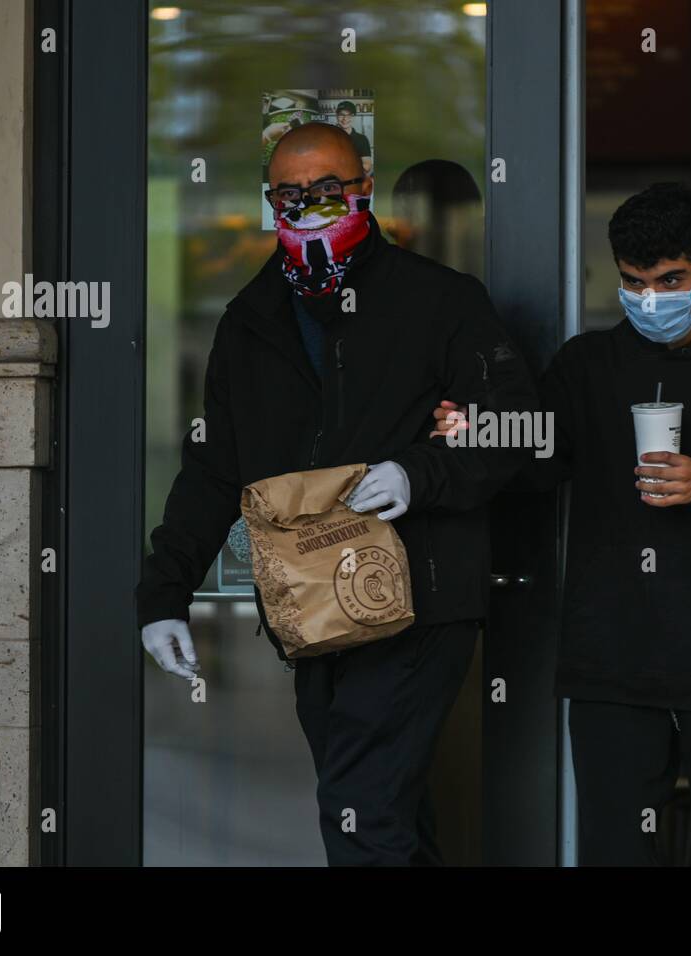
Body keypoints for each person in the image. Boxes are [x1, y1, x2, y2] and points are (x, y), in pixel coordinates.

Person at [136, 122, 537, 865]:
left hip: (418, 597)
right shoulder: (249, 322)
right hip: (311, 608)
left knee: (359, 809)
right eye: (291, 193)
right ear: (269, 202)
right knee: (384, 810)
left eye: (328, 190)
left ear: (363, 189)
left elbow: (513, 423)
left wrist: (421, 472)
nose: (311, 206)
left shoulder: (439, 300)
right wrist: (164, 594)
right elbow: (213, 471)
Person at [432, 182, 691, 865]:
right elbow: (536, 462)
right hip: (612, 658)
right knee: (616, 851)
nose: (651, 299)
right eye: (634, 282)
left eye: (671, 280)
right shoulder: (589, 365)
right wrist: (480, 432)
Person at [334, 101, 373, 174]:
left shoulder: (362, 139)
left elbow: (367, 166)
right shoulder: (330, 137)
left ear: (354, 117)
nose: (345, 118)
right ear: (336, 116)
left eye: (349, 115)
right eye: (341, 115)